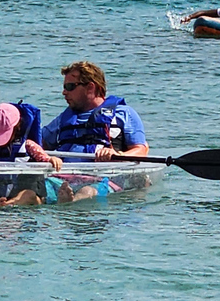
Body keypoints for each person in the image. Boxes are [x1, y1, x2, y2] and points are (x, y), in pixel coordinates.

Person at [42, 61, 149, 202]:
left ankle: (71, 204)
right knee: (37, 190)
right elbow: (40, 144)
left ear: (90, 88)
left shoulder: (123, 114)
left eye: (70, 87)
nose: (64, 92)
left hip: (103, 180)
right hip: (63, 179)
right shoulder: (64, 119)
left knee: (87, 191)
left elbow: (141, 150)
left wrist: (117, 154)